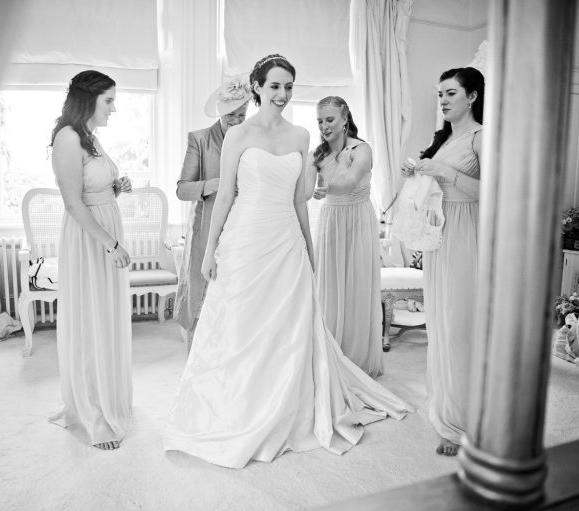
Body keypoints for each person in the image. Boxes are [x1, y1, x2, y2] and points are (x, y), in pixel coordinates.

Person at [164, 55, 410, 469]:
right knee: (242, 323)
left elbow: (299, 201)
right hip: (245, 238)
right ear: (257, 87)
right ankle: (240, 407)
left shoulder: (300, 136)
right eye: (275, 86)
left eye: (289, 87)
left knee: (290, 326)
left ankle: (286, 406)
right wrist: (209, 251)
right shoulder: (239, 135)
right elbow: (225, 196)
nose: (282, 94)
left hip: (286, 239)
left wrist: (308, 248)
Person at [400, 66, 483, 457]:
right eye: (440, 94)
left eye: (451, 93)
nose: (444, 100)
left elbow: (493, 190)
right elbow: (432, 188)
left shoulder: (481, 137)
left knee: (460, 324)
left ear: (472, 96)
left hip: (466, 234)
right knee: (441, 324)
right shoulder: (445, 138)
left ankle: (465, 421)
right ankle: (447, 407)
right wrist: (416, 171)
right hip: (441, 235)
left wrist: (444, 172)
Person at [48, 70, 133, 451]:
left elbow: (93, 189)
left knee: (105, 316)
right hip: (89, 241)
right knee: (89, 320)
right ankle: (91, 414)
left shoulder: (90, 136)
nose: (113, 108)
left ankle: (108, 397)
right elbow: (73, 203)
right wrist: (111, 245)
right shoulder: (68, 138)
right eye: (108, 101)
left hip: (103, 232)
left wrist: (116, 187)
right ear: (89, 99)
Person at [308, 96, 383, 377]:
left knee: (357, 284)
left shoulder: (361, 149)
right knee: (330, 285)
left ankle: (356, 358)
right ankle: (331, 351)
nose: (324, 126)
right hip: (331, 220)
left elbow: (350, 181)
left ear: (344, 118)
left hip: (358, 219)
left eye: (329, 119)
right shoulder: (317, 154)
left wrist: (326, 189)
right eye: (320, 121)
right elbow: (304, 186)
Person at [175, 75, 251, 349]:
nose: (237, 121)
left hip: (242, 229)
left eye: (242, 115)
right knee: (202, 296)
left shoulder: (252, 139)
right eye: (231, 115)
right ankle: (195, 357)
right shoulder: (199, 139)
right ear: (220, 111)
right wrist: (215, 184)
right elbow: (182, 189)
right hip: (206, 230)